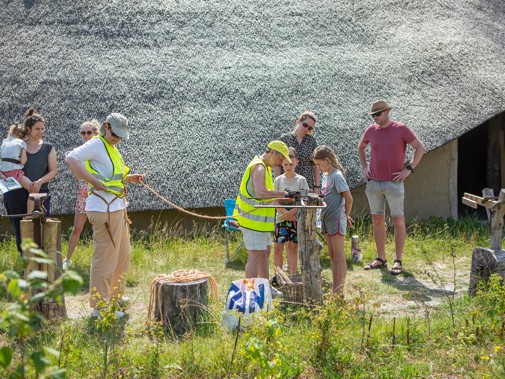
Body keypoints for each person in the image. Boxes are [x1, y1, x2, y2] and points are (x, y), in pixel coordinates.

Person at [65, 113, 144, 318]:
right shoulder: (96, 144)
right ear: (106, 127)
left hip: (118, 207)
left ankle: (115, 296)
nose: (118, 138)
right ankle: (99, 308)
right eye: (115, 134)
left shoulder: (112, 148)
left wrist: (129, 178)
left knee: (123, 255)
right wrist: (91, 180)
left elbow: (111, 176)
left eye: (121, 136)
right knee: (105, 258)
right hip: (103, 209)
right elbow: (70, 159)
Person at [357, 100, 426, 275]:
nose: (375, 118)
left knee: (398, 220)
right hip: (374, 183)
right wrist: (364, 167)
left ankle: (398, 260)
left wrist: (408, 170)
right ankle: (380, 258)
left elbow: (420, 148)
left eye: (378, 114)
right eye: (373, 115)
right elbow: (361, 147)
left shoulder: (401, 128)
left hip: (394, 183)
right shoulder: (371, 130)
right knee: (377, 220)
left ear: (387, 112)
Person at [233, 140, 291, 280]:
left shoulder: (264, 167)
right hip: (252, 222)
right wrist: (283, 194)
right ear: (272, 152)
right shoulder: (259, 167)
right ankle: (250, 291)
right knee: (254, 256)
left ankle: (265, 287)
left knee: (265, 253)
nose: (280, 162)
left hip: (261, 223)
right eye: (280, 158)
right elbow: (260, 193)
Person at [3, 108, 57, 255]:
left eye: (42, 128)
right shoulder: (17, 145)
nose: (41, 131)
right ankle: (25, 264)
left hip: (40, 192)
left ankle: (43, 266)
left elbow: (53, 171)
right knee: (21, 230)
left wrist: (39, 182)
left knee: (42, 228)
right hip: (15, 193)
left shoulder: (48, 147)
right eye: (37, 129)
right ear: (28, 128)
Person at [313, 145, 353, 296]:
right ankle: (335, 290)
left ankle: (339, 292)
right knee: (332, 256)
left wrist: (346, 215)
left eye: (319, 164)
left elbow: (349, 199)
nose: (318, 167)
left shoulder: (337, 175)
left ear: (327, 160)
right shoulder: (326, 175)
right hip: (325, 219)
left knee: (339, 255)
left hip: (336, 219)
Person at [63, 120, 100, 271]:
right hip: (84, 190)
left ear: (96, 133)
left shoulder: (100, 150)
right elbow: (76, 175)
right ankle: (68, 260)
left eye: (89, 132)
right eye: (83, 133)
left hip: (98, 190)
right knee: (77, 227)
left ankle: (99, 261)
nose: (85, 135)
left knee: (100, 228)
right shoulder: (78, 152)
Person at [273, 147, 308, 277]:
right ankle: (278, 275)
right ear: (282, 163)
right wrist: (284, 212)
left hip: (295, 218)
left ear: (297, 163)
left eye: (291, 164)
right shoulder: (278, 180)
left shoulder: (301, 180)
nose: (288, 167)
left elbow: (304, 200)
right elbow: (274, 200)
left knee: (293, 247)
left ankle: (293, 275)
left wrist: (292, 211)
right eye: (286, 164)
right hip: (281, 219)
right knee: (278, 247)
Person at [276, 111, 321, 194]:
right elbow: (278, 164)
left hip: (306, 184)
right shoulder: (284, 139)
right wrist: (277, 184)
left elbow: (316, 166)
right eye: (305, 125)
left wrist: (317, 186)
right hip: (286, 184)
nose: (306, 129)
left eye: (310, 128)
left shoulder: (312, 141)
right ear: (298, 121)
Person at [0, 123, 34, 213]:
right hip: (15, 172)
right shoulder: (21, 143)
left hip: (2, 173)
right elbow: (23, 161)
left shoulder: (4, 142)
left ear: (11, 132)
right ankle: (29, 214)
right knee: (32, 189)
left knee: (10, 195)